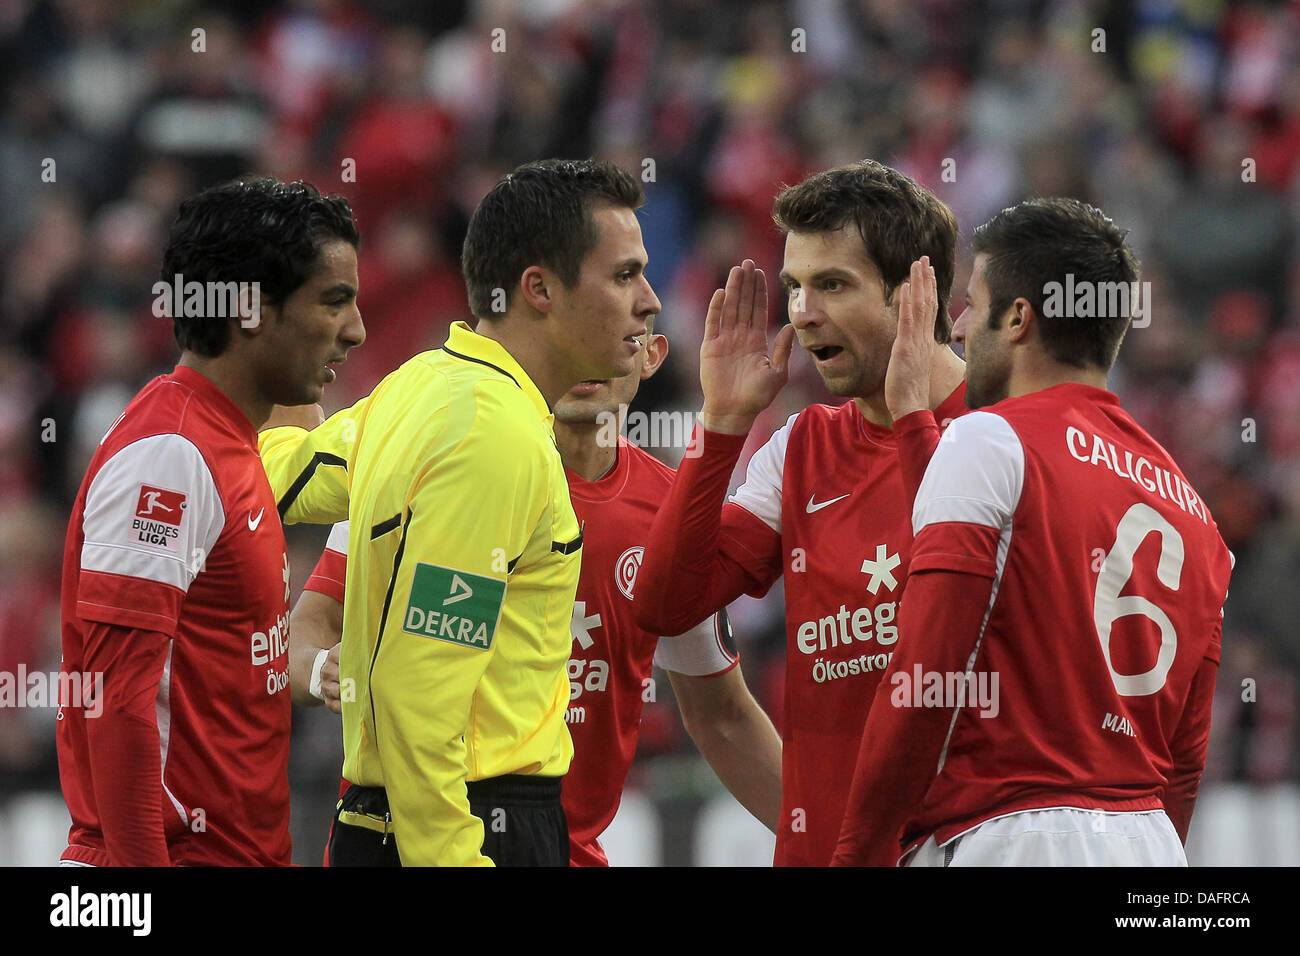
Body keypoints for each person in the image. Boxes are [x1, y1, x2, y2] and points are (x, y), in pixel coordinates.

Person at [258, 158, 660, 866]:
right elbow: (417, 688)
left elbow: (282, 476)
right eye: (624, 275)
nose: (650, 300)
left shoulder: (419, 388)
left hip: (390, 823)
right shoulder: (493, 435)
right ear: (538, 288)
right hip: (474, 825)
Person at [291, 317, 783, 866]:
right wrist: (319, 670)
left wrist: (832, 844)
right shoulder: (437, 462)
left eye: (619, 332)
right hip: (406, 838)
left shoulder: (672, 517)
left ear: (650, 356)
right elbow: (304, 632)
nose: (588, 347)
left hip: (556, 848)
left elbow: (722, 716)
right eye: (577, 326)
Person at [833, 198, 1234, 866]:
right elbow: (1186, 761)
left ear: (1019, 318)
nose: (957, 330)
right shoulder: (1195, 512)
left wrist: (854, 856)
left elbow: (923, 679)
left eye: (971, 303)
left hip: (1014, 837)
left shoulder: (989, 439)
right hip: (1152, 844)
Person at [632, 160, 968, 866]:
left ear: (916, 294)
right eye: (796, 288)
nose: (804, 312)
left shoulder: (999, 427)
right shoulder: (804, 447)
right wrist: (722, 423)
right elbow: (666, 603)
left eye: (833, 285)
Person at [56, 177, 364, 866]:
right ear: (251, 310)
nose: (356, 330)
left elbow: (220, 662)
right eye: (333, 300)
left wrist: (312, 672)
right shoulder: (169, 457)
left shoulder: (235, 444)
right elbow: (117, 701)